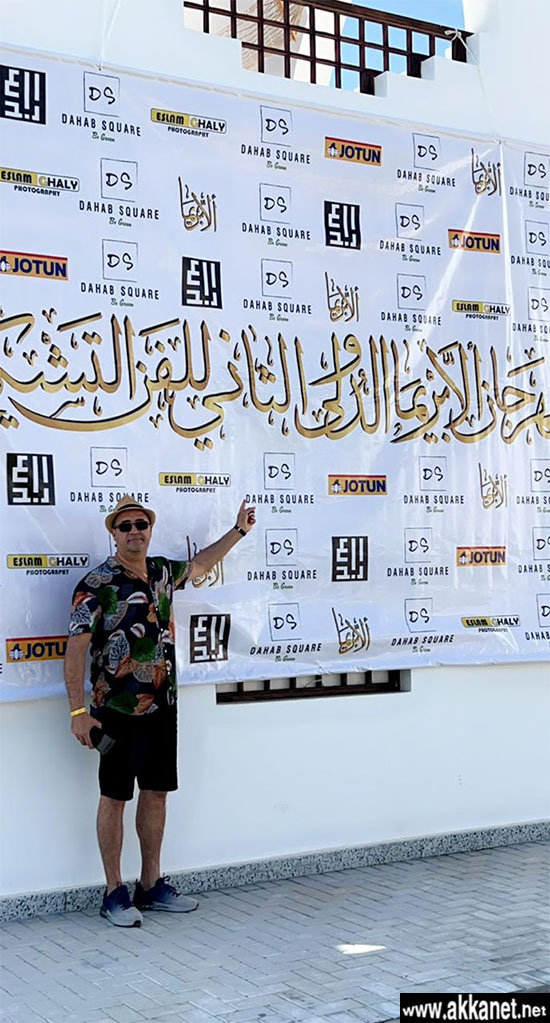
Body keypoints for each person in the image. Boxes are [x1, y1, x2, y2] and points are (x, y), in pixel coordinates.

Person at [64, 494, 255, 927]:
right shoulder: (96, 584)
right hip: (116, 709)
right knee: (114, 797)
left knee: (156, 792)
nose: (134, 531)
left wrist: (239, 531)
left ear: (150, 530)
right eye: (125, 526)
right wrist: (78, 713)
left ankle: (150, 885)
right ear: (114, 535)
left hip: (163, 707)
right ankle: (113, 892)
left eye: (141, 524)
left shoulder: (163, 573)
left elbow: (200, 565)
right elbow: (75, 650)